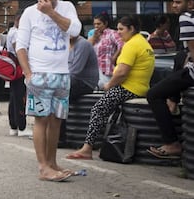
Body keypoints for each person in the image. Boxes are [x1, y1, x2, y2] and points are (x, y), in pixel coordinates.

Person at [16, 0, 81, 182]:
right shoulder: (29, 12)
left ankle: (53, 163)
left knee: (56, 121)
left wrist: (51, 13)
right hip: (40, 74)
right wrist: (28, 74)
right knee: (41, 119)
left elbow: (75, 31)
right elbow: (20, 46)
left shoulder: (67, 7)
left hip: (62, 73)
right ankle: (43, 167)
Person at [66, 15, 155, 160]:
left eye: (121, 29)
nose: (118, 32)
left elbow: (121, 72)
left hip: (128, 88)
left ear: (131, 29)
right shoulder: (143, 43)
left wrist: (108, 85)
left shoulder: (131, 45)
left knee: (98, 109)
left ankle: (87, 148)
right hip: (141, 88)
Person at [147, 0, 194, 159]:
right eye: (173, 1)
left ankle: (172, 143)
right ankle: (173, 101)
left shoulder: (186, 18)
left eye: (178, 2)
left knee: (153, 94)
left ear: (190, 3)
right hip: (187, 67)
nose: (173, 5)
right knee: (179, 59)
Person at [59, 35, 99, 146]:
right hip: (70, 80)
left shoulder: (83, 44)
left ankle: (60, 138)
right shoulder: (64, 44)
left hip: (84, 82)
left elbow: (75, 71)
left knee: (59, 95)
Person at [6, 11, 31, 136]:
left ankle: (14, 126)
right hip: (19, 68)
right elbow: (19, 50)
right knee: (20, 97)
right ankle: (21, 127)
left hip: (14, 68)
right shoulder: (17, 33)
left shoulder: (11, 31)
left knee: (13, 97)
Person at [88, 12, 123, 89]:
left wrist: (115, 56)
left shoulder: (112, 33)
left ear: (105, 23)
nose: (96, 26)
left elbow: (121, 44)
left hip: (106, 68)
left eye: (98, 24)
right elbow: (87, 48)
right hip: (95, 68)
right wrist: (94, 38)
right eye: (94, 24)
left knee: (103, 87)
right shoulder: (94, 34)